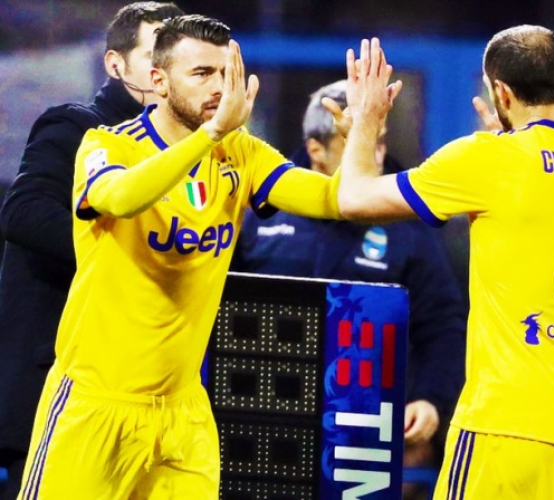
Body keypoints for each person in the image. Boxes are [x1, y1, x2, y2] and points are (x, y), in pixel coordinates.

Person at [18, 14, 341, 499]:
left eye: (226, 73)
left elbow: (335, 199)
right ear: (159, 80)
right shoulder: (106, 143)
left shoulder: (241, 153)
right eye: (202, 73)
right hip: (94, 404)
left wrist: (362, 135)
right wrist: (208, 136)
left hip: (182, 415)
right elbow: (119, 198)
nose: (220, 88)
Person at [332, 29, 554, 498]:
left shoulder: (487, 160)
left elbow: (354, 198)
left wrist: (366, 121)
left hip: (505, 427)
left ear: (500, 91)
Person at [231, 79, 467, 493]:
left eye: (379, 141)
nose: (375, 156)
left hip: (362, 427)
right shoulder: (258, 210)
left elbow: (442, 323)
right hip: (261, 419)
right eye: (357, 141)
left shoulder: (407, 221)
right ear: (316, 150)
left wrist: (431, 398)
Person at [0, 3, 184, 498]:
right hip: (59, 385)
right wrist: (122, 258)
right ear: (115, 64)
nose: (165, 71)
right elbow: (23, 212)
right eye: (154, 55)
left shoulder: (184, 155)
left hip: (148, 399)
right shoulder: (77, 127)